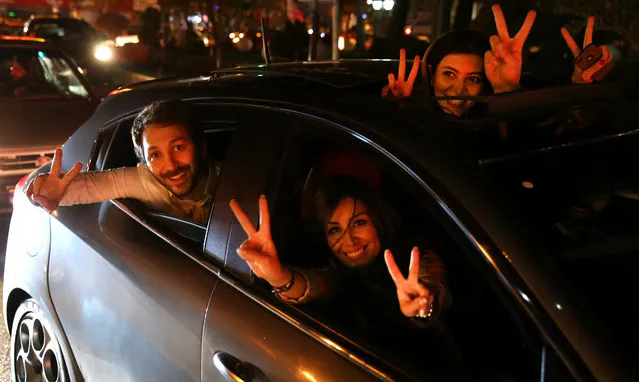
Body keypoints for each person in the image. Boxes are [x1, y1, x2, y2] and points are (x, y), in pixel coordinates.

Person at [229, 176, 450, 329]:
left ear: (378, 221)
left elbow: (431, 280)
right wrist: (279, 278)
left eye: (359, 223)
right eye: (335, 229)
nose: (349, 240)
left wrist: (423, 305)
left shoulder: (414, 253)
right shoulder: (336, 271)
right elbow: (318, 284)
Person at [27, 100, 216, 224]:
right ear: (145, 162)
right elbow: (90, 186)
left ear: (201, 146)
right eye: (155, 155)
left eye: (178, 148)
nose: (171, 166)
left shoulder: (232, 180)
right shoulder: (144, 181)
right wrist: (42, 191)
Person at [384, 4, 536, 116]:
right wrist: (398, 109)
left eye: (472, 78)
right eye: (449, 74)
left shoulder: (486, 124)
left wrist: (506, 88)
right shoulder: (416, 119)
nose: (458, 89)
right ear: (431, 76)